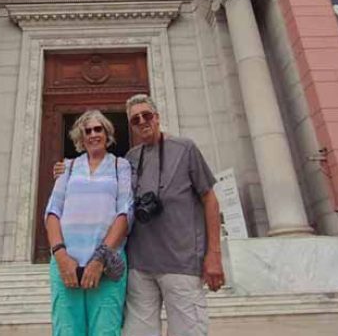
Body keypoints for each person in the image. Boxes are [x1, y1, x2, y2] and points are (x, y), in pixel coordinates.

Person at [53, 95, 225, 336]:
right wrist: (66, 168)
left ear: (157, 117)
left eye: (147, 115)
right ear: (130, 125)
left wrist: (214, 254)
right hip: (140, 268)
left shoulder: (185, 149)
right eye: (135, 119)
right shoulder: (130, 160)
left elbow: (210, 199)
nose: (142, 121)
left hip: (182, 264)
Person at [45, 110, 133, 336]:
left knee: (106, 330)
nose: (93, 134)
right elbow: (53, 212)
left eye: (98, 129)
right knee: (66, 330)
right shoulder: (69, 167)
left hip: (106, 262)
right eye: (88, 131)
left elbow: (124, 213)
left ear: (107, 133)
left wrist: (99, 259)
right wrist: (61, 255)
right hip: (66, 263)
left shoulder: (120, 166)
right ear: (81, 137)